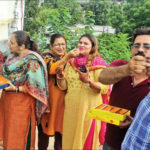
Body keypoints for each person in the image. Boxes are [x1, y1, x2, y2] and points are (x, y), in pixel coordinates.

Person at [98, 27, 150, 150]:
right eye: (136, 46)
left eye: (147, 46)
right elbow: (102, 77)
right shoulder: (121, 65)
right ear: (132, 49)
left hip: (136, 144)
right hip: (110, 140)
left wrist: (136, 123)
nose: (140, 49)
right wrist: (127, 69)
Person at [57, 34, 109, 150]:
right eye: (80, 42)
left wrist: (88, 82)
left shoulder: (97, 63)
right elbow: (64, 87)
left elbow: (104, 88)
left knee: (86, 142)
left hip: (89, 109)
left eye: (86, 43)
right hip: (71, 110)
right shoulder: (71, 63)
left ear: (92, 47)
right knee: (70, 139)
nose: (81, 45)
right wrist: (60, 77)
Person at [0, 31, 48, 150]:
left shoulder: (32, 61)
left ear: (22, 46)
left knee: (19, 137)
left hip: (22, 105)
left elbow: (36, 87)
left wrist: (16, 88)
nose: (9, 45)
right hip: (7, 102)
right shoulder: (12, 56)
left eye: (12, 43)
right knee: (8, 135)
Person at [38, 33, 76, 150]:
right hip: (49, 102)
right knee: (44, 134)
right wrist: (67, 57)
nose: (61, 47)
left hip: (64, 104)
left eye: (63, 44)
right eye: (57, 44)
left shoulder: (71, 60)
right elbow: (51, 69)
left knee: (61, 134)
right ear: (51, 45)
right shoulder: (45, 56)